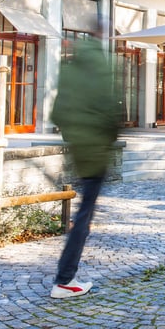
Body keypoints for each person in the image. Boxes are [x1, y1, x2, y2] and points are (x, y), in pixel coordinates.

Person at [49, 25, 120, 299]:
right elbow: (112, 108)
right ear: (102, 36)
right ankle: (64, 280)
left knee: (84, 213)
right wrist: (107, 139)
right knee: (84, 216)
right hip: (96, 150)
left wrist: (74, 134)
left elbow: (57, 113)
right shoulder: (102, 66)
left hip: (78, 148)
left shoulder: (69, 69)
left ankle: (65, 277)